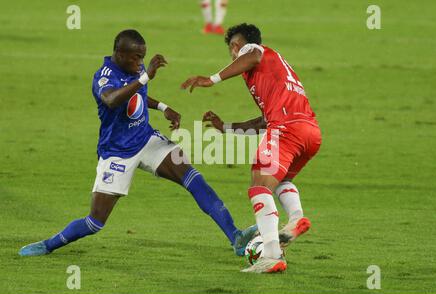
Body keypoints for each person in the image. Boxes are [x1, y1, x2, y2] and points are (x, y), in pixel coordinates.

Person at [19, 29, 257, 258]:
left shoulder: (135, 66)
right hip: (117, 153)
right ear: (119, 54)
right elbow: (112, 99)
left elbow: (138, 94)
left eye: (142, 57)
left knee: (192, 176)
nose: (140, 62)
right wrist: (146, 76)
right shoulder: (104, 77)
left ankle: (235, 237)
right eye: (136, 58)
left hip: (146, 139)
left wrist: (163, 107)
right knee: (95, 222)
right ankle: (48, 245)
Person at [181, 23, 322, 273]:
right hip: (309, 132)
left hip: (287, 128)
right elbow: (264, 119)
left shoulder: (255, 52)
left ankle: (270, 254)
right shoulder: (273, 70)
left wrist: (211, 79)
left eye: (233, 48)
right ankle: (296, 217)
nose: (234, 53)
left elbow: (253, 55)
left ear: (236, 47)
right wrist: (225, 127)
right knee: (278, 182)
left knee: (259, 184)